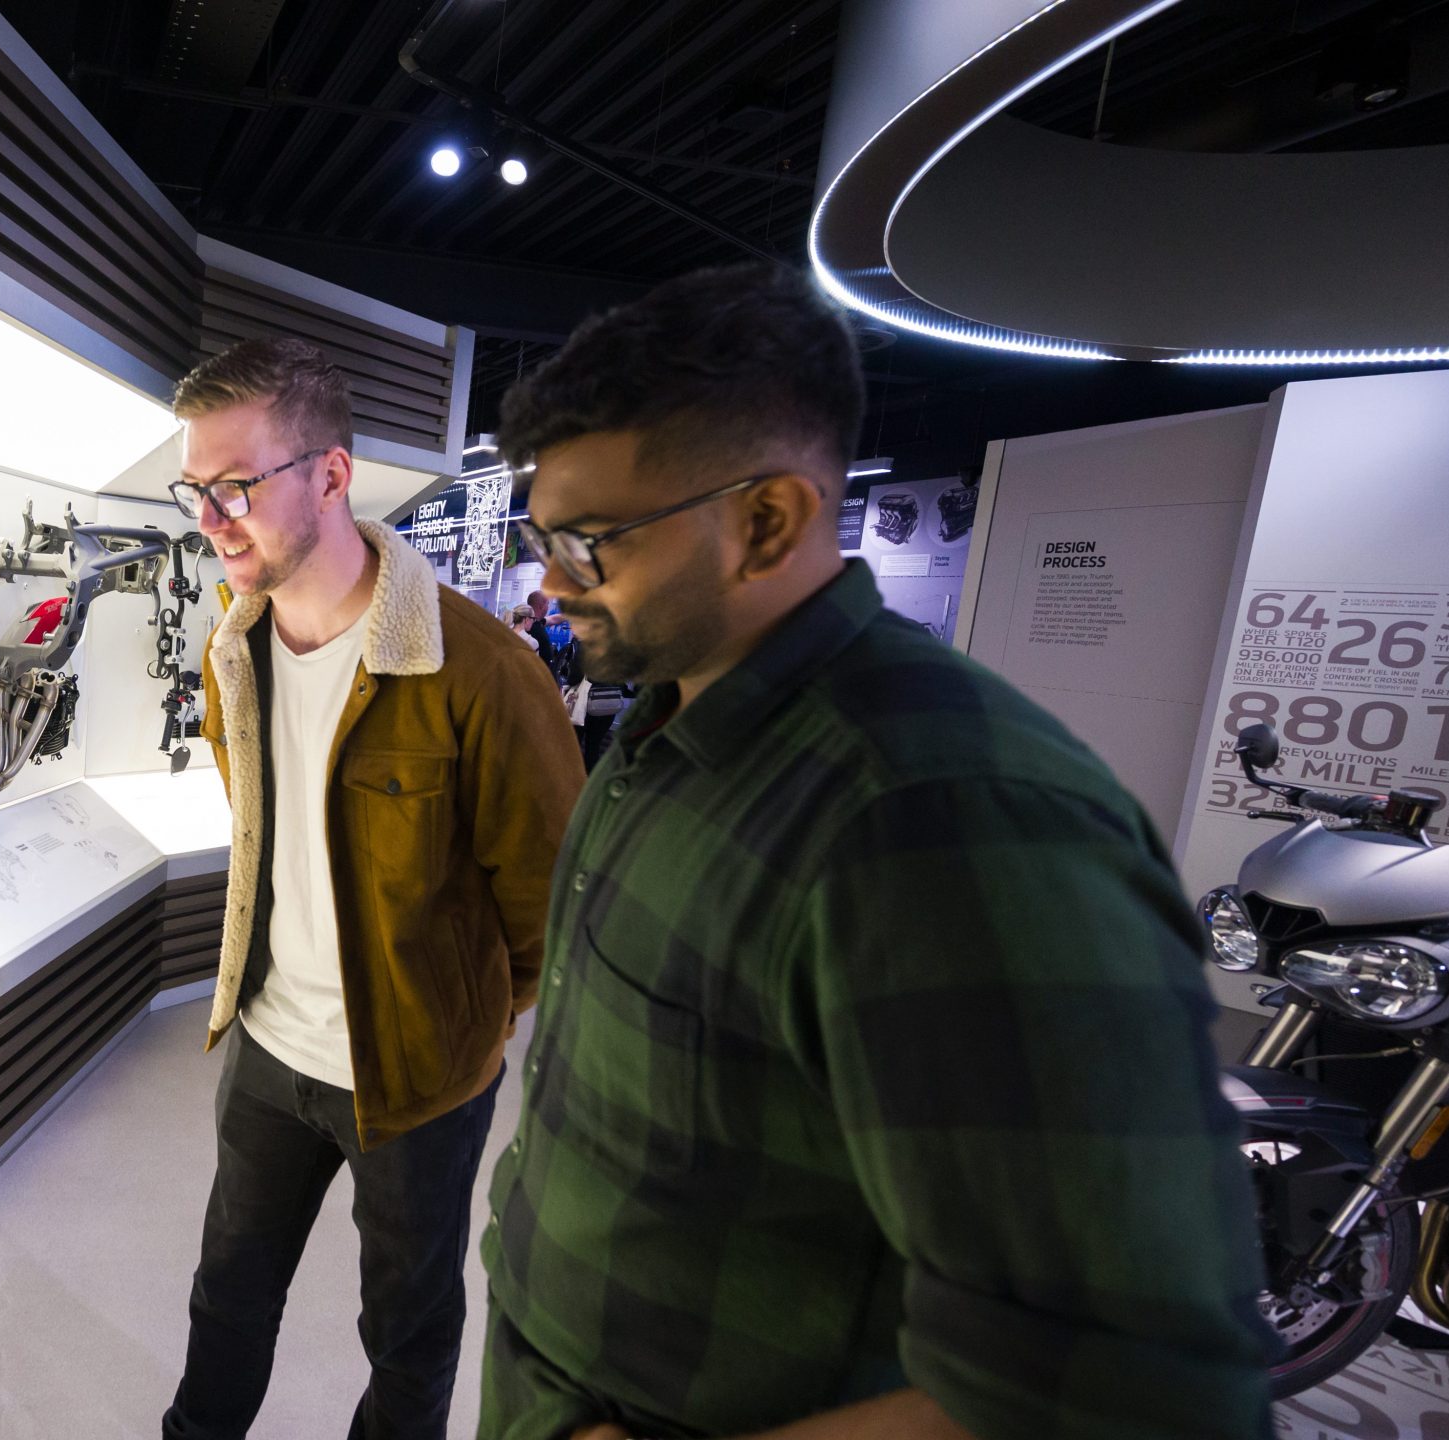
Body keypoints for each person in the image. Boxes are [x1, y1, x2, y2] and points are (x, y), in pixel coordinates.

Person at [479, 264, 1274, 1440]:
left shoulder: (941, 817)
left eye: (590, 543)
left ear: (766, 522)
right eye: (544, 538)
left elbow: (1133, 1386)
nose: (551, 585)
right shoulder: (661, 737)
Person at [161, 336, 583, 1440]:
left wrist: (454, 1018)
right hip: (264, 1051)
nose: (212, 518)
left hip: (414, 1081)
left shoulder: (481, 672)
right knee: (227, 1297)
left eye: (237, 487)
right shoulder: (231, 650)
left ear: (332, 476)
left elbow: (552, 907)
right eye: (197, 490)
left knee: (405, 1333)